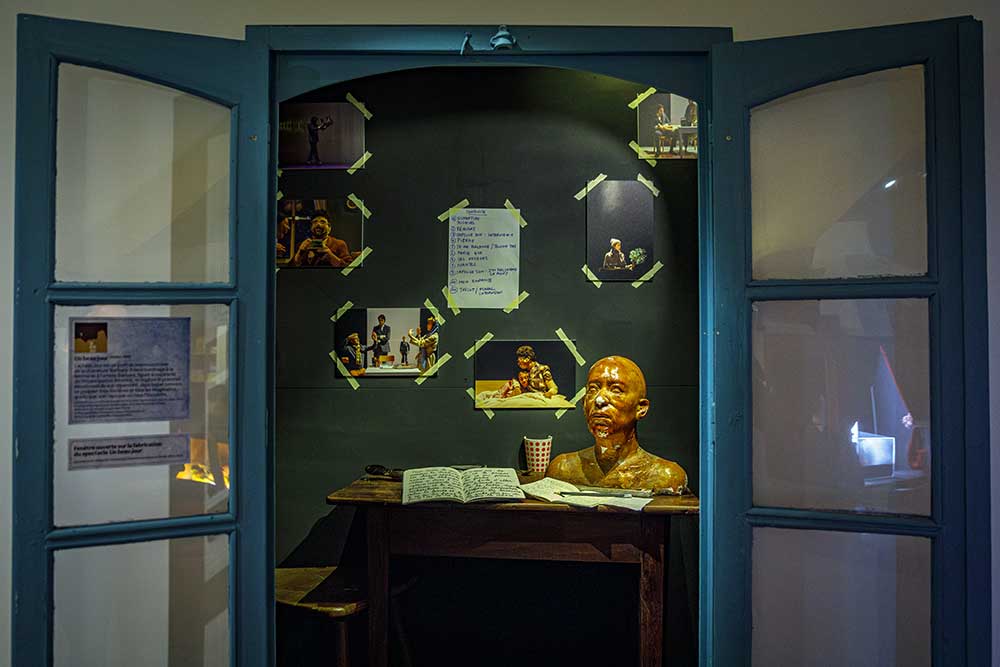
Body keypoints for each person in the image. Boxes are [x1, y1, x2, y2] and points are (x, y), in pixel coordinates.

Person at [546, 356, 688, 494]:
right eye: (593, 389)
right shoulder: (562, 469)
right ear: (583, 404)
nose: (599, 400)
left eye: (616, 390)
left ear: (641, 408)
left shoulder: (666, 477)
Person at [292, 215, 358, 268]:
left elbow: (348, 268)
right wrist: (300, 252)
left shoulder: (339, 244)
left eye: (322, 222)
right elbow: (290, 268)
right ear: (311, 227)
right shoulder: (303, 244)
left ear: (329, 228)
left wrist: (329, 255)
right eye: (315, 222)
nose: (318, 224)